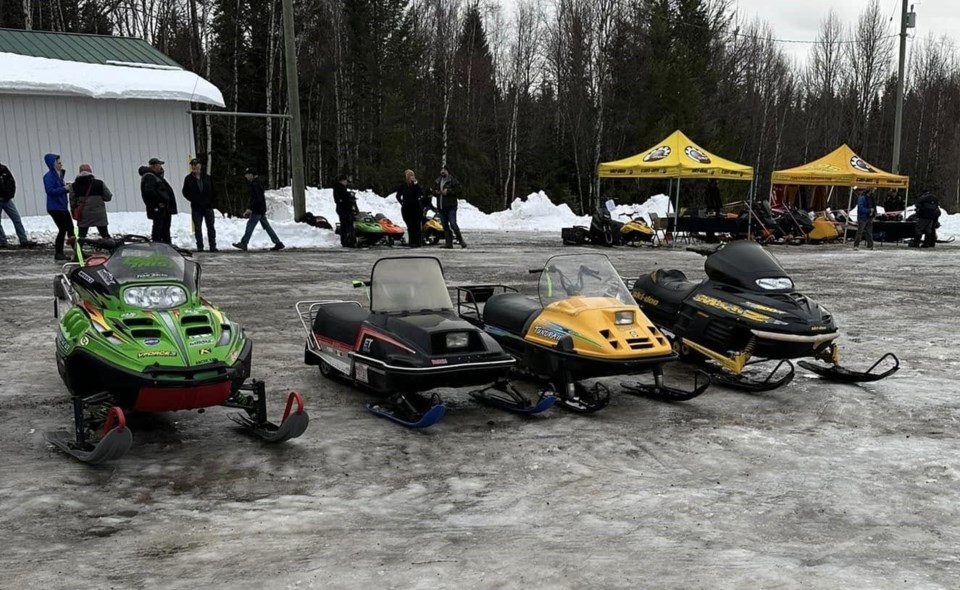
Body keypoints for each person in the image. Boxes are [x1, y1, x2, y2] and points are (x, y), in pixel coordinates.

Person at [233, 168, 285, 251]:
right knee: (267, 227)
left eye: (247, 174)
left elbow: (256, 198)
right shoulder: (258, 183)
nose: (246, 177)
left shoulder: (255, 184)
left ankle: (244, 243)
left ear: (251, 174)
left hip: (257, 209)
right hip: (260, 209)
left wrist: (250, 208)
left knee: (250, 225)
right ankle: (278, 243)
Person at [181, 158, 218, 252]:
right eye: (192, 165)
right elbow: (185, 192)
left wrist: (211, 201)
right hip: (196, 207)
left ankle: (212, 246)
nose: (194, 167)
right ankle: (200, 246)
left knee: (210, 226)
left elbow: (214, 190)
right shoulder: (188, 179)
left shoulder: (207, 177)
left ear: (200, 166)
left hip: (208, 206)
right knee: (198, 227)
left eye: (196, 165)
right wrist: (193, 199)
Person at [69, 164, 113, 239]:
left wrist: (74, 212)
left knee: (81, 236)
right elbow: (108, 197)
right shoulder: (99, 183)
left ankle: (79, 250)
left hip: (83, 214)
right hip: (99, 214)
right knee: (105, 235)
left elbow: (72, 202)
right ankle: (111, 249)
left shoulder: (74, 186)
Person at [0, 161, 37, 248]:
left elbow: (11, 181)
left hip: (7, 199)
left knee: (16, 218)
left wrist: (11, 194)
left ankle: (23, 240)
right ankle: (2, 241)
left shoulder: (3, 169)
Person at [140, 157, 177, 244]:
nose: (161, 167)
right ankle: (158, 245)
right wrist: (159, 203)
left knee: (165, 228)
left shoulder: (157, 176)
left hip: (164, 208)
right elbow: (149, 192)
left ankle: (166, 245)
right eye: (159, 165)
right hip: (158, 208)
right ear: (154, 166)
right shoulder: (150, 176)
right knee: (158, 227)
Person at [43, 153, 73, 261]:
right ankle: (59, 253)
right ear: (53, 164)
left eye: (61, 163)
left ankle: (78, 251)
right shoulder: (49, 177)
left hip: (62, 206)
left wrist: (66, 188)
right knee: (63, 229)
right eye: (58, 163)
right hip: (55, 208)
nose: (61, 165)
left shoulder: (59, 176)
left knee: (71, 229)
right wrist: (64, 189)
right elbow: (50, 191)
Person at [433, 165, 466, 249]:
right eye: (441, 170)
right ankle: (448, 243)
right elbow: (433, 191)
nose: (442, 172)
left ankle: (460, 240)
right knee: (444, 225)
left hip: (451, 206)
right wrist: (436, 192)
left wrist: (448, 192)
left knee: (453, 223)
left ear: (448, 171)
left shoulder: (452, 180)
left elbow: (459, 189)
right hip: (441, 206)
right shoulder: (437, 181)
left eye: (444, 170)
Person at [396, 169, 425, 247]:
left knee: (417, 226)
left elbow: (421, 193)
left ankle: (418, 242)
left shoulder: (416, 185)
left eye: (412, 176)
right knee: (410, 226)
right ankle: (412, 241)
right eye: (410, 176)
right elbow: (398, 195)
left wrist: (416, 184)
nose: (411, 177)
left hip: (416, 208)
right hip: (407, 208)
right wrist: (401, 202)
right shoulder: (403, 186)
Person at [332, 174, 356, 248]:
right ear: (342, 181)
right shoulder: (340, 188)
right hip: (343, 208)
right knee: (345, 225)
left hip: (342, 208)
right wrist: (349, 195)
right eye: (345, 181)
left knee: (345, 224)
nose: (346, 183)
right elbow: (343, 196)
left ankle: (347, 240)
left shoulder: (339, 187)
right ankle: (346, 241)